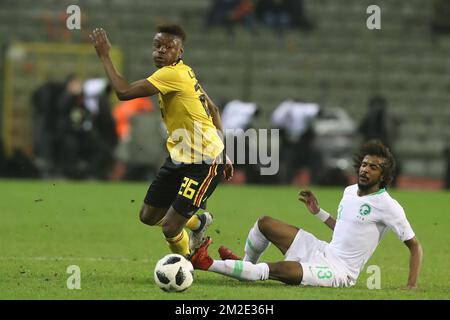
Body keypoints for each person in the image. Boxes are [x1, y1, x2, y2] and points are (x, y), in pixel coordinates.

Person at [190, 141, 423, 289]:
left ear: (383, 176)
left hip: (338, 272)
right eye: (364, 164)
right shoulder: (350, 191)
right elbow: (345, 229)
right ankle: (245, 264)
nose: (365, 169)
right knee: (265, 224)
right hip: (322, 250)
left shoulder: (388, 206)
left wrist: (411, 286)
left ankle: (207, 263)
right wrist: (319, 213)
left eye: (373, 167)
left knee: (278, 270)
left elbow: (415, 246)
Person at [89, 25, 233, 256]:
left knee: (169, 226)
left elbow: (123, 92)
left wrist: (105, 55)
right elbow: (213, 109)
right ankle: (198, 223)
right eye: (157, 46)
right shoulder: (185, 71)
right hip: (179, 157)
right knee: (148, 216)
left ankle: (186, 262)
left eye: (169, 47)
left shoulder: (171, 74)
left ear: (180, 52)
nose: (161, 51)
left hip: (203, 163)